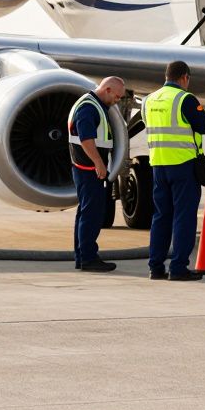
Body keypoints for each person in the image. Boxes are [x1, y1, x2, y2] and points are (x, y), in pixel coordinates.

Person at [144, 60, 205, 281]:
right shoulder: (185, 99)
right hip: (183, 166)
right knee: (183, 217)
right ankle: (178, 268)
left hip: (158, 165)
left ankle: (155, 267)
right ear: (185, 77)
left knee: (160, 216)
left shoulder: (149, 100)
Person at [68, 76, 127, 273]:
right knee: (92, 215)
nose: (117, 101)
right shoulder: (89, 108)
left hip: (85, 168)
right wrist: (99, 163)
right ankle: (89, 258)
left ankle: (82, 256)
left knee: (85, 213)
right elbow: (86, 139)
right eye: (117, 97)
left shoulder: (92, 104)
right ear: (108, 89)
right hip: (89, 170)